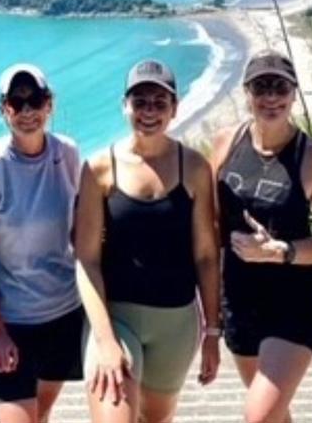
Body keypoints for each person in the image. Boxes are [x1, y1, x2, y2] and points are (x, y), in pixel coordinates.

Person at [75, 59, 221, 423]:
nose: (149, 111)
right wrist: (105, 340)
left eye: (160, 102)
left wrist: (212, 332)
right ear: (125, 106)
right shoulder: (99, 168)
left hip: (176, 324)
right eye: (139, 102)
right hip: (116, 317)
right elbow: (87, 260)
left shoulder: (195, 168)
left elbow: (206, 256)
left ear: (175, 108)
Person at [210, 50, 312, 423]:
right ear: (247, 93)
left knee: (259, 416)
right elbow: (210, 221)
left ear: (294, 93)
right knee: (275, 415)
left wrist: (281, 251)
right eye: (261, 87)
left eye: (280, 87)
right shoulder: (226, 142)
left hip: (293, 301)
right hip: (239, 298)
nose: (271, 97)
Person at [0, 63, 84, 423]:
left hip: (63, 312)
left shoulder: (68, 154)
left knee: (40, 414)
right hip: (9, 320)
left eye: (36, 100)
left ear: (50, 104)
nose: (28, 111)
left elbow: (81, 232)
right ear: (4, 110)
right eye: (17, 102)